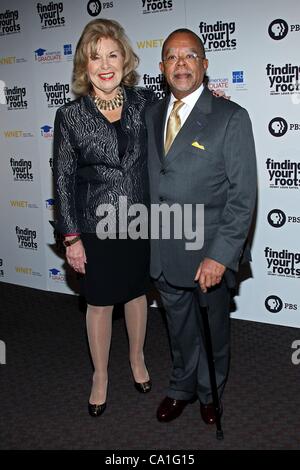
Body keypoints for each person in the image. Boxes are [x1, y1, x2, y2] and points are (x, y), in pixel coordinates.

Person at [146, 29, 257, 424]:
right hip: (163, 251)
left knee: (213, 329)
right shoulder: (149, 113)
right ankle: (181, 386)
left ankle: (211, 391)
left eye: (190, 56)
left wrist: (220, 256)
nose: (180, 63)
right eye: (172, 57)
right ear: (161, 68)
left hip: (208, 254)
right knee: (178, 329)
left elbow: (243, 197)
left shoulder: (231, 117)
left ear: (204, 65)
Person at [53, 19, 156, 417]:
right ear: (85, 64)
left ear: (125, 59)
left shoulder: (146, 102)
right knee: (98, 303)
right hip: (95, 225)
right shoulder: (70, 115)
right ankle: (100, 374)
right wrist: (71, 238)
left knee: (135, 293)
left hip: (139, 221)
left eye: (113, 54)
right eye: (96, 57)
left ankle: (136, 358)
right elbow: (62, 179)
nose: (105, 64)